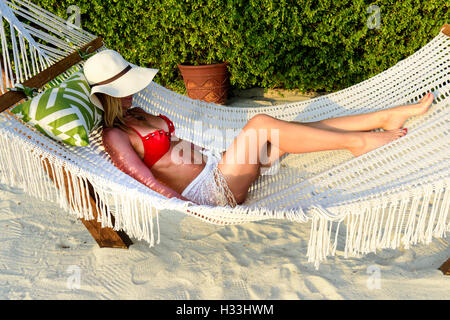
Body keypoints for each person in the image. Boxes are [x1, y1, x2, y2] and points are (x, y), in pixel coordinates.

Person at [84, 50, 434, 207]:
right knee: (261, 124)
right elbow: (144, 180)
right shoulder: (116, 136)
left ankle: (384, 118)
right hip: (213, 189)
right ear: (108, 95)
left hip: (220, 164)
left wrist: (219, 157)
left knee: (293, 128)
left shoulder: (139, 111)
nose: (132, 92)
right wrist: (182, 206)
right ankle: (356, 144)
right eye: (124, 89)